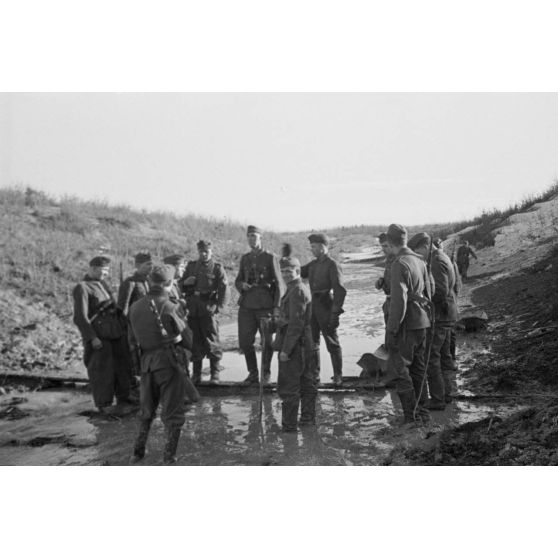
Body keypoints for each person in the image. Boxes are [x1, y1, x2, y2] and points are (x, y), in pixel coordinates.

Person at [128, 264, 194, 465]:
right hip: (170, 364)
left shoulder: (135, 307)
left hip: (146, 363)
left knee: (146, 410)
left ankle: (137, 453)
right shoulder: (171, 307)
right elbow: (187, 338)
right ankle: (169, 458)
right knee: (173, 412)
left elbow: (131, 342)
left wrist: (137, 368)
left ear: (150, 282)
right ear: (169, 283)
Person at [73, 256, 134, 413]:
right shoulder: (82, 287)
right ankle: (104, 404)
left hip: (115, 332)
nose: (105, 273)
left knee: (122, 366)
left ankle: (123, 397)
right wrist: (91, 337)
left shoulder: (103, 285)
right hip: (99, 336)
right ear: (92, 268)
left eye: (107, 270)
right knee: (101, 370)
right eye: (103, 270)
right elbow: (80, 317)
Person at [385, 225, 432, 424]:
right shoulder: (419, 260)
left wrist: (392, 329)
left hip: (406, 325)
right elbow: (431, 289)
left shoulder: (399, 263)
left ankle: (411, 418)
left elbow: (399, 301)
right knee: (419, 369)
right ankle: (423, 413)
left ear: (389, 242)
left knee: (400, 370)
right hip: (422, 321)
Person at [408, 232, 458, 409]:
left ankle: (437, 399)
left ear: (425, 247)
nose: (417, 256)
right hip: (447, 314)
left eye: (417, 252)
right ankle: (447, 394)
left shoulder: (436, 261)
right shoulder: (440, 257)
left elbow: (440, 292)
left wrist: (420, 297)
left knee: (431, 358)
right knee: (444, 357)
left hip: (440, 316)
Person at [273, 245, 315, 432]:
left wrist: (285, 351)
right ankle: (307, 421)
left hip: (297, 346)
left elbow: (296, 325)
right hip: (304, 343)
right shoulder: (295, 288)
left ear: (297, 271)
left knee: (289, 386)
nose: (285, 274)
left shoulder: (297, 290)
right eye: (283, 271)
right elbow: (291, 319)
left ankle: (289, 428)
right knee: (306, 383)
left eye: (289, 271)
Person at [235, 226, 283, 385]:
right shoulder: (245, 258)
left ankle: (265, 373)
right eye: (249, 236)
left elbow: (280, 284)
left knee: (267, 343)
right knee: (244, 342)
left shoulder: (270, 257)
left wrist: (276, 307)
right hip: (247, 306)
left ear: (260, 238)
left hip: (265, 305)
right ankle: (253, 373)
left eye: (254, 236)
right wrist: (242, 285)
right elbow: (238, 280)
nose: (251, 239)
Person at [181, 240, 230, 385]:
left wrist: (219, 308)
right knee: (195, 341)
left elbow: (224, 290)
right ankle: (196, 375)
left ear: (211, 252)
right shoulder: (190, 267)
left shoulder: (217, 268)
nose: (203, 254)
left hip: (208, 308)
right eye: (201, 251)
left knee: (212, 341)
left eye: (206, 252)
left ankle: (215, 373)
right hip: (193, 309)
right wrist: (185, 283)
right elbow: (180, 286)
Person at [301, 233, 346, 386]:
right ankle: (315, 375)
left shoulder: (332, 264)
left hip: (327, 306)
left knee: (332, 343)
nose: (312, 249)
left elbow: (340, 291)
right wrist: (286, 261)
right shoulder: (313, 265)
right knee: (312, 343)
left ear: (322, 247)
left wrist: (335, 313)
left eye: (313, 247)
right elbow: (299, 271)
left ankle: (338, 376)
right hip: (313, 308)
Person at [117, 252, 153, 316]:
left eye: (151, 264)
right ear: (138, 265)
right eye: (148, 264)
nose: (151, 267)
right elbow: (123, 308)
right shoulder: (130, 282)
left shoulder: (151, 281)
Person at [375, 232, 395, 325]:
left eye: (386, 246)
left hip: (398, 304)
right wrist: (381, 282)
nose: (383, 249)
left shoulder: (401, 260)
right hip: (389, 302)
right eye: (382, 246)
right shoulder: (388, 259)